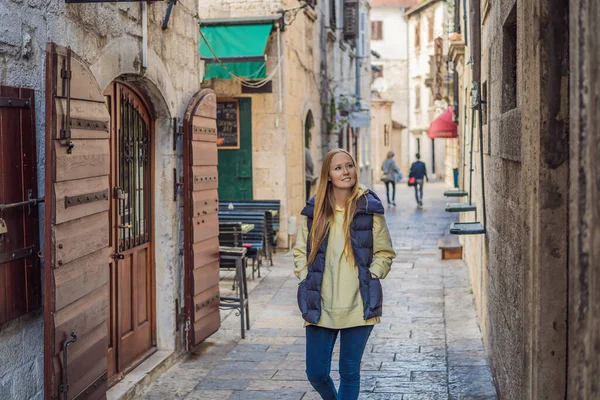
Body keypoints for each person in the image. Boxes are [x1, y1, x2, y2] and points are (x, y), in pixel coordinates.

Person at [294, 149, 396, 400]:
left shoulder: (369, 208)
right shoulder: (314, 210)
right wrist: (305, 276)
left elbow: (385, 251)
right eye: (338, 168)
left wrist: (374, 273)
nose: (345, 171)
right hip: (320, 303)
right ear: (328, 174)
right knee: (316, 373)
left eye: (349, 165)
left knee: (349, 373)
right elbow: (299, 250)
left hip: (358, 304)